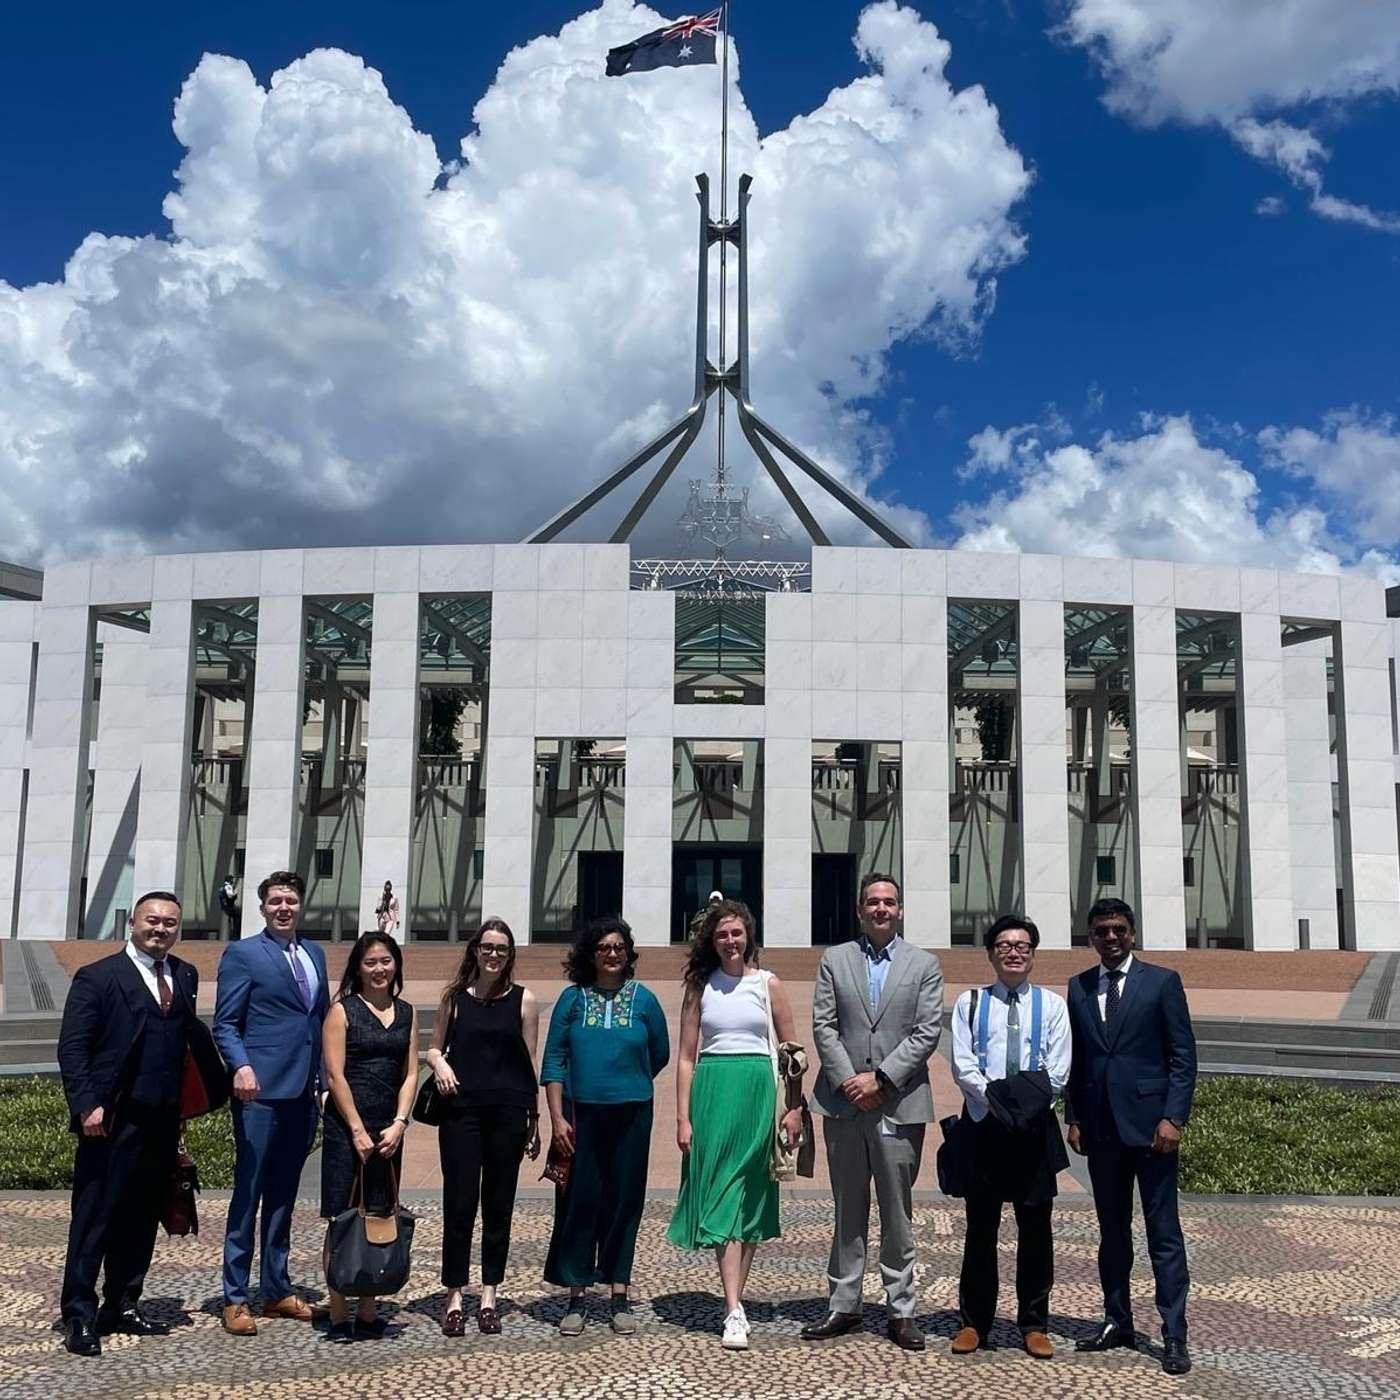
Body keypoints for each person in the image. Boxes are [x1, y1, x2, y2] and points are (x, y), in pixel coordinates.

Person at [56, 891, 227, 1357]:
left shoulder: (184, 975)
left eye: (170, 923)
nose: (161, 929)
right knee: (95, 1217)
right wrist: (86, 1105)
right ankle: (79, 1313)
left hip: (162, 1118)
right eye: (152, 920)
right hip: (111, 1119)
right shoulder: (98, 977)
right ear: (132, 924)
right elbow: (73, 1048)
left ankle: (123, 1302)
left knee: (141, 1216)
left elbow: (188, 1041)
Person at [803, 872, 944, 1351]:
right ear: (860, 910)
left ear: (900, 910)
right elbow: (824, 1026)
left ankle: (901, 1308)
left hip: (898, 1102)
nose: (881, 909)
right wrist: (850, 1081)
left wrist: (881, 1079)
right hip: (844, 1104)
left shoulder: (923, 964)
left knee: (897, 1210)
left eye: (889, 901)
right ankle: (844, 1303)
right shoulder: (834, 959)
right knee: (848, 1207)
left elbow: (926, 1032)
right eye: (872, 902)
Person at [1066, 897, 1198, 1376]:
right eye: (1102, 930)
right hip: (1101, 1132)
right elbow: (1079, 1061)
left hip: (1152, 1130)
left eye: (1119, 929)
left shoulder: (1162, 982)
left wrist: (1174, 1118)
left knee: (1163, 1234)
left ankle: (1174, 1334)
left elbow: (1183, 1057)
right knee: (1112, 1234)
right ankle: (1117, 1319)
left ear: (1133, 933)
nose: (1111, 937)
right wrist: (1074, 1116)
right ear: (1090, 937)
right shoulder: (1078, 987)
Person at [667, 900, 805, 1349]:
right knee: (722, 1193)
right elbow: (686, 1056)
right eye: (722, 934)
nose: (730, 941)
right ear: (712, 940)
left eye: (737, 933)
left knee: (750, 1198)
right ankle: (733, 1308)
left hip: (757, 1092)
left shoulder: (768, 984)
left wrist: (794, 1107)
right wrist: (683, 1116)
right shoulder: (699, 986)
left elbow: (792, 1053)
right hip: (714, 1090)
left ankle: (734, 1304)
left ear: (749, 937)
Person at [213, 870, 330, 1336]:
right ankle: (235, 1296)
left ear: (302, 906)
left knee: (284, 1195)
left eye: (292, 900)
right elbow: (225, 1023)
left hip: (302, 1094)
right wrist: (240, 1066)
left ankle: (277, 1288)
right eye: (275, 900)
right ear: (261, 907)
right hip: (258, 1092)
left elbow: (316, 1022)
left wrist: (322, 1081)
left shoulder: (315, 953)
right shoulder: (243, 954)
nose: (284, 907)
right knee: (249, 1193)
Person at [540, 916, 670, 1336]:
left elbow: (661, 1052)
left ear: (628, 954)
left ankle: (618, 1292)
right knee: (580, 1199)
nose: (612, 954)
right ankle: (577, 1293)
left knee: (623, 1200)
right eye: (604, 947)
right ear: (590, 954)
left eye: (619, 947)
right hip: (581, 1115)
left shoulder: (645, 999)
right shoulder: (573, 999)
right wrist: (557, 1116)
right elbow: (554, 1060)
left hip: (632, 1113)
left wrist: (628, 1079)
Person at [949, 914, 1071, 1359]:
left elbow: (1057, 1072)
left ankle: (1034, 1323)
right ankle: (974, 1322)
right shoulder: (971, 1004)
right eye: (1004, 945)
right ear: (991, 953)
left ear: (1033, 954)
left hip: (1034, 1132)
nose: (1013, 951)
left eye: (1022, 945)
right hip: (985, 1128)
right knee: (980, 1228)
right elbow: (963, 1066)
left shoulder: (1053, 1007)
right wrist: (999, 1107)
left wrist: (1022, 1109)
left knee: (1036, 1229)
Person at [425, 917, 542, 1337]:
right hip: (461, 1111)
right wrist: (438, 1063)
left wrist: (535, 1117)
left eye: (502, 949)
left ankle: (489, 1294)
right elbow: (434, 1046)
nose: (494, 955)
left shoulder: (525, 1000)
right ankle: (455, 1294)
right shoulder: (455, 998)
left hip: (508, 1112)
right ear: (475, 950)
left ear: (510, 955)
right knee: (459, 1203)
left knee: (498, 1205)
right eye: (487, 947)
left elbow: (529, 1060)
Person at [319, 931, 417, 1343]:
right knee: (342, 1213)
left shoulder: (407, 1012)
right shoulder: (342, 1011)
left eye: (386, 961)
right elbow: (335, 1074)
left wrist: (399, 1122)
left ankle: (370, 1304)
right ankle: (339, 1307)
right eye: (371, 962)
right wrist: (357, 1129)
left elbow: (411, 1071)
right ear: (358, 968)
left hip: (388, 1127)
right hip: (348, 1125)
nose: (380, 969)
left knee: (379, 1210)